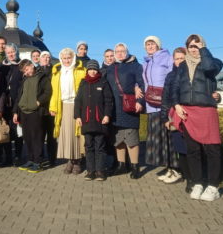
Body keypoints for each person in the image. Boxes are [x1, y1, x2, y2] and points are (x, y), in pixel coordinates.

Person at [170, 34, 223, 201]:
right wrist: (177, 105)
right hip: (187, 112)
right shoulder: (182, 66)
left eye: (196, 46)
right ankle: (198, 182)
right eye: (191, 46)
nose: (193, 49)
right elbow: (175, 87)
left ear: (202, 46)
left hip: (206, 110)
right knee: (192, 149)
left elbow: (209, 69)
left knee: (212, 149)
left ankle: (213, 186)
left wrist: (203, 50)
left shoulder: (214, 61)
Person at [106, 43, 145, 179]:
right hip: (115, 108)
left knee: (131, 138)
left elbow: (142, 83)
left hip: (130, 106)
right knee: (118, 139)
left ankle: (135, 166)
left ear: (127, 52)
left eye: (122, 51)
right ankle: (121, 165)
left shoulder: (135, 66)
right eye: (117, 51)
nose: (120, 53)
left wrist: (140, 101)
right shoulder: (111, 68)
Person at [74, 60, 113, 181]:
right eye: (90, 69)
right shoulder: (83, 83)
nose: (92, 71)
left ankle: (100, 171)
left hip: (100, 121)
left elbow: (109, 101)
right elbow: (78, 101)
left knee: (100, 146)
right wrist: (77, 116)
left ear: (98, 70)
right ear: (87, 70)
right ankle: (90, 171)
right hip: (86, 120)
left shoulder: (103, 82)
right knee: (88, 146)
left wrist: (107, 115)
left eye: (94, 69)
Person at [49, 47, 86, 174]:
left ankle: (78, 161)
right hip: (63, 106)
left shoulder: (81, 71)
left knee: (77, 134)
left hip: (76, 105)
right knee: (66, 134)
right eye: (64, 58)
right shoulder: (57, 73)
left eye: (69, 58)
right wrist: (53, 107)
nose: (66, 60)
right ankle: (70, 160)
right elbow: (55, 93)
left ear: (73, 58)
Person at [141, 36, 175, 175]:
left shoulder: (167, 58)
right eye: (147, 44)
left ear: (158, 45)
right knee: (158, 138)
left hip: (164, 104)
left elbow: (172, 77)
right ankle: (166, 166)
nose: (150, 46)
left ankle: (175, 168)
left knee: (169, 137)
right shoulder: (146, 63)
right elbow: (143, 82)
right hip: (151, 105)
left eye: (152, 44)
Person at [14, 60, 52, 173]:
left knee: (37, 138)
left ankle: (38, 162)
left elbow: (48, 92)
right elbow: (19, 95)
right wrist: (16, 111)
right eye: (23, 71)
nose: (26, 73)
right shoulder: (25, 79)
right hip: (24, 112)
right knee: (27, 138)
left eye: (26, 69)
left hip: (36, 112)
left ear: (31, 66)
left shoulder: (42, 77)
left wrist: (39, 102)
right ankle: (30, 159)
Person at [161, 47, 192, 190]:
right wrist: (165, 118)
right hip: (174, 116)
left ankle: (195, 177)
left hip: (191, 116)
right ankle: (188, 178)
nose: (179, 61)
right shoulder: (170, 76)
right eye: (177, 58)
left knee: (192, 148)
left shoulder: (192, 74)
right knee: (181, 149)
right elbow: (165, 98)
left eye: (182, 58)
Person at [0, 43, 24, 166]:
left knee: (18, 131)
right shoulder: (2, 66)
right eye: (8, 52)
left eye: (12, 51)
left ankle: (18, 156)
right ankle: (7, 157)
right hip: (5, 105)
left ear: (16, 51)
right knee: (5, 131)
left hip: (17, 103)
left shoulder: (22, 66)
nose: (11, 54)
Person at [38, 50, 56, 166]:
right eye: (44, 57)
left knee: (51, 135)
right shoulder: (36, 71)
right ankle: (40, 157)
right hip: (39, 107)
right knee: (39, 134)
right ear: (40, 59)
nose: (46, 59)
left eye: (48, 57)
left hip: (51, 107)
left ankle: (52, 158)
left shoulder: (54, 71)